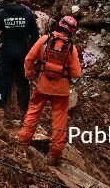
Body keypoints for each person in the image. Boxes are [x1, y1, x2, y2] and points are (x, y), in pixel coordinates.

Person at [19, 15, 82, 166]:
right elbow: (76, 73)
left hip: (42, 85)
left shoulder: (45, 40)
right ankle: (54, 155)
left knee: (33, 112)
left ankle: (22, 143)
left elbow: (29, 59)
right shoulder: (71, 48)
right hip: (61, 90)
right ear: (72, 31)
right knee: (59, 122)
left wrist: (30, 75)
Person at [0, 0, 38, 119]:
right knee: (23, 83)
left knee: (6, 83)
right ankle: (24, 113)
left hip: (6, 53)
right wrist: (31, 51)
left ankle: (7, 113)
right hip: (23, 52)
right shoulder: (28, 13)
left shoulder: (0, 14)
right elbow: (35, 35)